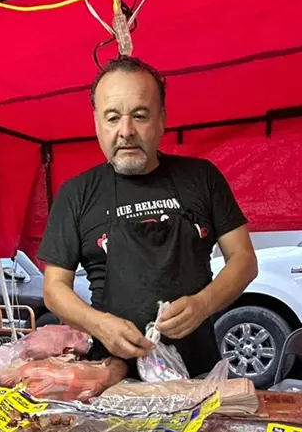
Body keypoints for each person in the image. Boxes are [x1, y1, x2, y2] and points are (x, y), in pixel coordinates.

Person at [39, 56, 258, 378]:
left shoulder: (201, 178)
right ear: (97, 123)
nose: (126, 131)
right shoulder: (77, 193)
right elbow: (54, 288)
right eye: (112, 118)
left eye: (139, 116)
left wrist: (204, 304)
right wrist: (98, 324)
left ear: (162, 118)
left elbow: (243, 259)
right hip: (110, 377)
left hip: (196, 373)